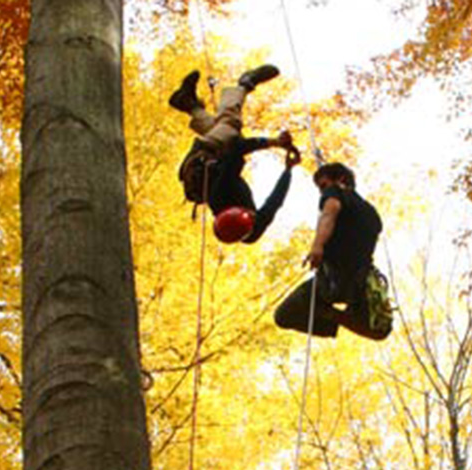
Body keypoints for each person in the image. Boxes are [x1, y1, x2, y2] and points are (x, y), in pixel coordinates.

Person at [168, 64, 301, 243]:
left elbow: (238, 148)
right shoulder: (251, 231)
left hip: (203, 156)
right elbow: (274, 203)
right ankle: (188, 104)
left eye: (251, 214)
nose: (254, 215)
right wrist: (288, 170)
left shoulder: (222, 192)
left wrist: (274, 142)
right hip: (218, 158)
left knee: (231, 126)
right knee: (221, 128)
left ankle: (244, 85)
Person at [274, 163, 393, 340]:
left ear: (341, 180)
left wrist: (317, 246)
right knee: (380, 331)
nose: (322, 193)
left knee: (283, 316)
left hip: (332, 280)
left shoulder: (335, 192)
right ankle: (332, 315)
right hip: (357, 283)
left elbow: (329, 213)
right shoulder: (372, 213)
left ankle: (327, 313)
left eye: (323, 186)